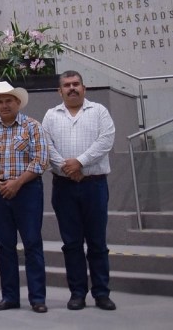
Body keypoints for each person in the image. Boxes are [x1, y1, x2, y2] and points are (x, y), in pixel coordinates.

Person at [42, 71, 117, 312]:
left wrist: (80, 162)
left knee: (97, 242)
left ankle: (102, 293)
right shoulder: (51, 115)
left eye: (76, 84)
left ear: (84, 88)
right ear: (59, 91)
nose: (72, 88)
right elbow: (46, 145)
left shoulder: (98, 111)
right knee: (71, 243)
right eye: (67, 85)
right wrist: (68, 167)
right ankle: (77, 293)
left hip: (94, 185)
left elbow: (106, 140)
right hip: (64, 187)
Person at [0, 82, 48, 314]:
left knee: (32, 243)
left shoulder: (32, 126)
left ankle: (37, 298)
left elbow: (40, 161)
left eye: (9, 100)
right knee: (5, 246)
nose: (4, 104)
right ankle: (9, 297)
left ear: (18, 102)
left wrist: (17, 183)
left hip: (27, 191)